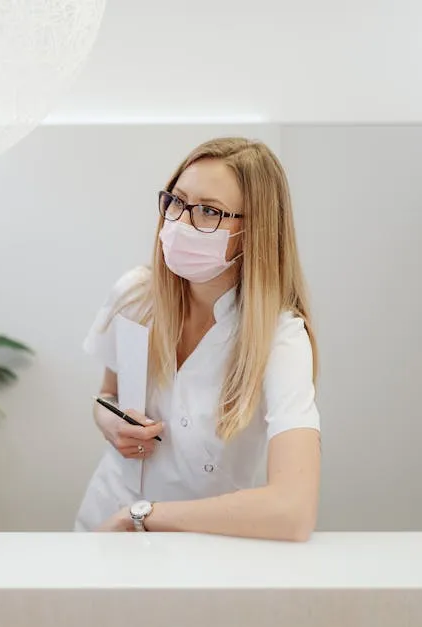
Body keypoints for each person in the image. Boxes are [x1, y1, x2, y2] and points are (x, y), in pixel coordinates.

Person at [73, 137, 321, 540]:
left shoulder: (281, 339)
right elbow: (107, 395)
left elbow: (293, 511)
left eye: (209, 212)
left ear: (256, 230)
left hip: (198, 546)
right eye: (177, 201)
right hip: (102, 524)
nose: (181, 222)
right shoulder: (135, 295)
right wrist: (109, 421)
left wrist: (141, 515)